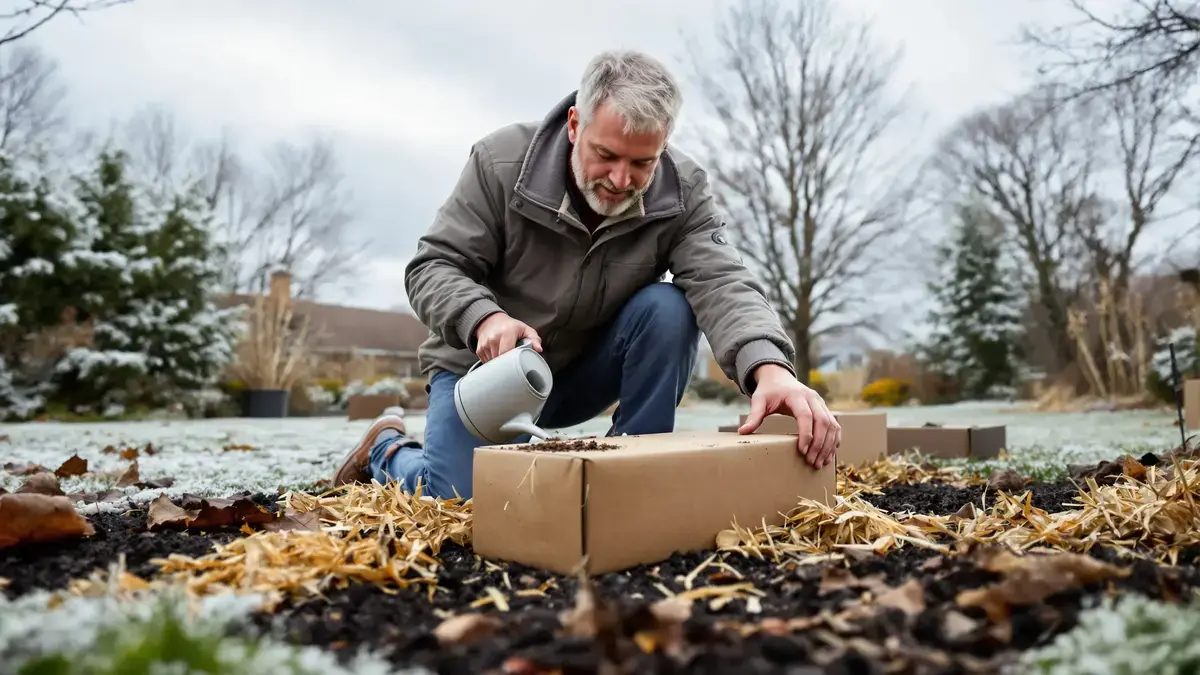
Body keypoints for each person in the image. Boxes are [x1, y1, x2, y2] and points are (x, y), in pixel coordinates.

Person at [332, 49, 841, 499]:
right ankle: (388, 446)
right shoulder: (499, 162)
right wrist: (484, 319)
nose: (622, 180)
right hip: (482, 373)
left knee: (669, 307)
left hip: (580, 374)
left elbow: (722, 282)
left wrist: (770, 368)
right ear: (575, 125)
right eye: (606, 155)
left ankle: (636, 472)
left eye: (642, 162)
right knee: (457, 500)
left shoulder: (683, 191)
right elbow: (433, 265)